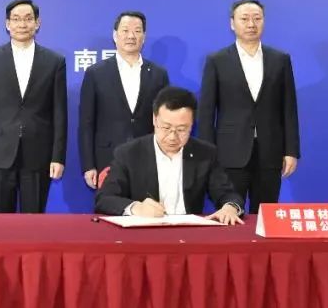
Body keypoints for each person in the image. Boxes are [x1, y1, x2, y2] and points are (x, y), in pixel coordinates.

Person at [198, 0, 300, 212]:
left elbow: (289, 108)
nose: (251, 24)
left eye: (257, 18)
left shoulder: (280, 59)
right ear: (232, 23)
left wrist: (291, 151)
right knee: (229, 212)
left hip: (270, 152)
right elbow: (206, 112)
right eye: (244, 19)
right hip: (229, 153)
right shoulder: (217, 60)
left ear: (264, 21)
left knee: (265, 214)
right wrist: (207, 153)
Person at [95, 87, 243, 224]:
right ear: (154, 120)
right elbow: (104, 199)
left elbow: (228, 194)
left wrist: (230, 207)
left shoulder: (205, 153)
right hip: (145, 232)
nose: (172, 137)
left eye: (181, 129)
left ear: (192, 125)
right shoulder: (129, 153)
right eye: (166, 127)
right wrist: (136, 208)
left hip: (189, 233)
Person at [0, 0, 66, 213]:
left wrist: (57, 157)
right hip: (0, 153)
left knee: (33, 223)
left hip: (38, 154)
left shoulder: (54, 61)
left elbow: (60, 113)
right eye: (16, 19)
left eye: (28, 19)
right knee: (1, 222)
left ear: (37, 23)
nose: (22, 24)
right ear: (7, 24)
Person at [78, 10, 170, 189]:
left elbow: (165, 120)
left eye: (137, 31)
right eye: (125, 30)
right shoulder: (96, 73)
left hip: (148, 157)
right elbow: (86, 123)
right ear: (115, 35)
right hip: (107, 159)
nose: (131, 36)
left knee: (146, 206)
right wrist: (88, 165)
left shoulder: (158, 74)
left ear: (144, 37)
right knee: (110, 205)